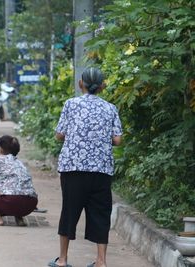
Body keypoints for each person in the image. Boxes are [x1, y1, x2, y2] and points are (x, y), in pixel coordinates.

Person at [48, 67, 122, 267]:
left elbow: (59, 134)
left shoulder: (71, 104)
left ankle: (62, 260)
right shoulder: (110, 108)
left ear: (81, 83)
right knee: (100, 213)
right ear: (102, 86)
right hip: (101, 170)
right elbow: (117, 140)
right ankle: (101, 261)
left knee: (70, 211)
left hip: (73, 167)